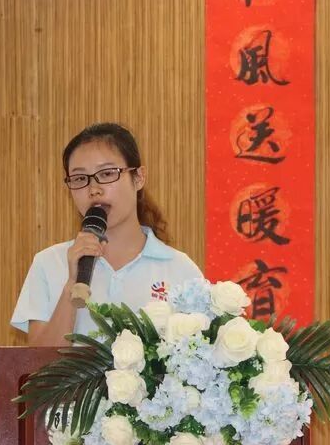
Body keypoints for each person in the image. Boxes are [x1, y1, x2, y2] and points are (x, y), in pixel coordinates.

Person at [11, 123, 203, 346]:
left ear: (139, 177)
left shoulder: (180, 269)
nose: (94, 189)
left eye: (107, 174)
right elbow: (37, 362)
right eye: (80, 178)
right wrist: (72, 284)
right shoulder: (48, 263)